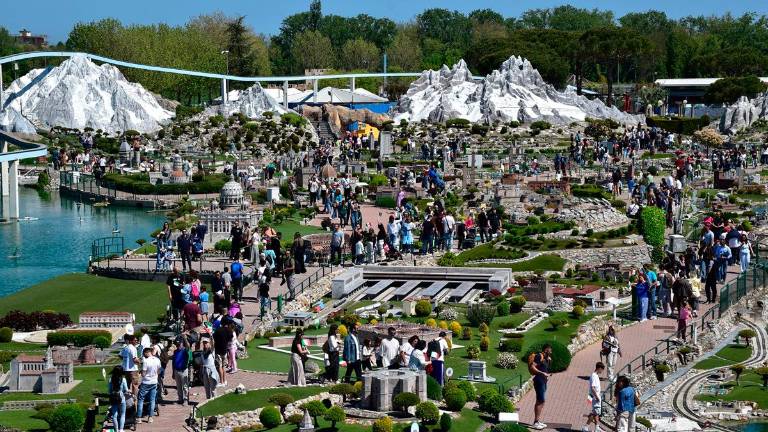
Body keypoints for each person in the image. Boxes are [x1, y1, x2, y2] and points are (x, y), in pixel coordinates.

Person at [529, 343, 553, 430]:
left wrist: (549, 361)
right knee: (540, 400)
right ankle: (535, 422)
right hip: (539, 381)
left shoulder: (547, 358)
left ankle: (537, 421)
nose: (551, 351)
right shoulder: (539, 356)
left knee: (541, 401)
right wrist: (542, 373)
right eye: (550, 349)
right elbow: (532, 367)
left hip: (543, 381)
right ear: (546, 349)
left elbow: (545, 368)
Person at [136, 347, 161, 423]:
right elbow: (159, 370)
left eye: (144, 354)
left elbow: (143, 373)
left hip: (146, 382)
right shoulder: (157, 360)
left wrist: (141, 374)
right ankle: (150, 417)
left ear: (147, 352)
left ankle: (139, 417)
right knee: (152, 400)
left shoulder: (146, 361)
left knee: (141, 399)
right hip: (154, 381)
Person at [584, 362, 605, 432]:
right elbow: (593, 388)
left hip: (595, 396)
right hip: (595, 397)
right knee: (594, 413)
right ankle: (586, 427)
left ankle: (597, 427)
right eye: (601, 370)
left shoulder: (595, 375)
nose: (602, 371)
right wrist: (597, 397)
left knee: (596, 413)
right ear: (599, 368)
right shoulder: (594, 376)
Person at [108, 365, 129, 432]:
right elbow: (126, 390)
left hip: (113, 398)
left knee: (114, 415)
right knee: (123, 414)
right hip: (121, 398)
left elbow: (109, 390)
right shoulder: (123, 379)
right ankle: (121, 429)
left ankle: (116, 429)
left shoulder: (110, 379)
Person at [171, 337, 190, 405]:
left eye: (179, 344)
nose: (178, 346)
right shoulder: (175, 351)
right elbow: (173, 362)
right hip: (176, 370)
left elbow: (188, 346)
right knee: (178, 386)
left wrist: (184, 338)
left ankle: (186, 400)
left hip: (184, 370)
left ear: (182, 344)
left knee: (185, 386)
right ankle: (180, 399)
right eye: (176, 344)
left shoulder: (185, 350)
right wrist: (173, 372)